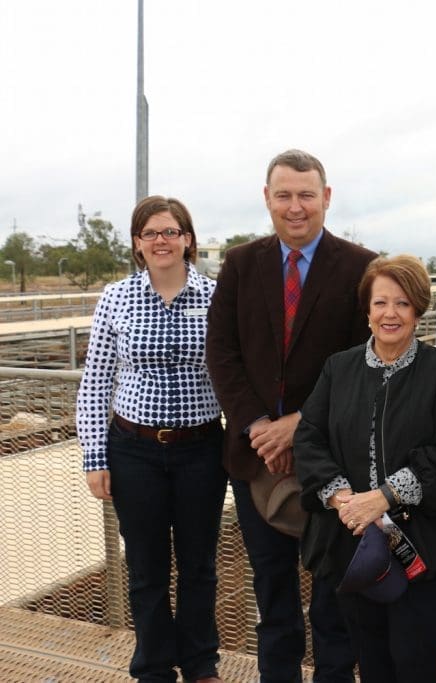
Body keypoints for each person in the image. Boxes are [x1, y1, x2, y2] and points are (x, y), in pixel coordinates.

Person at [206, 149, 376, 682]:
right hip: (255, 462)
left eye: (306, 195)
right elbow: (222, 352)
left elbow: (364, 362)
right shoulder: (240, 263)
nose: (295, 207)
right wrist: (258, 427)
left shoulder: (359, 267)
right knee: (272, 595)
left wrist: (299, 424)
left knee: (332, 598)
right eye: (284, 195)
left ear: (326, 198)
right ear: (267, 199)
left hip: (331, 462)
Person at [295, 255, 436, 683]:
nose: (390, 314)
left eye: (402, 303)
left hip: (422, 549)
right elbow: (308, 439)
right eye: (380, 303)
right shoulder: (339, 369)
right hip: (354, 548)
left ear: (418, 309)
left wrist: (383, 498)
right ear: (367, 309)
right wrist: (346, 502)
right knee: (372, 662)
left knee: (417, 662)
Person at [77, 195, 226, 683]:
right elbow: (96, 381)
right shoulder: (116, 298)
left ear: (188, 239)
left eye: (170, 231)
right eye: (150, 234)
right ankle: (155, 667)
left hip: (201, 450)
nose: (161, 241)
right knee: (146, 568)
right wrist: (94, 457)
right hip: (134, 450)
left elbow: (235, 374)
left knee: (199, 564)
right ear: (138, 244)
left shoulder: (217, 295)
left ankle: (201, 663)